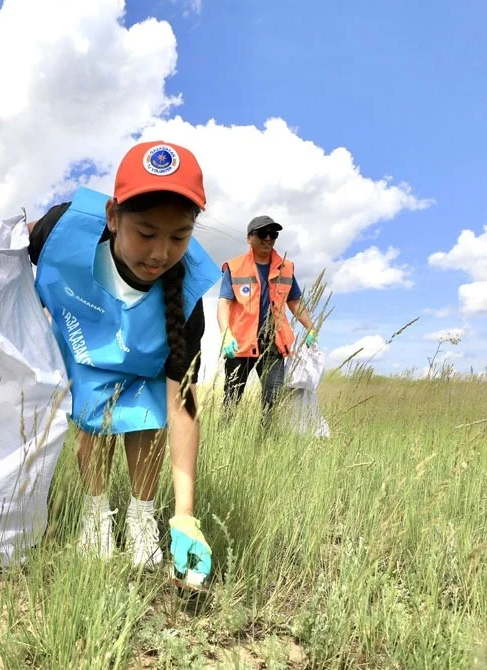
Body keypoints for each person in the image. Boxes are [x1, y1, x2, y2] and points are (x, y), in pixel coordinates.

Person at [26, 141, 217, 581]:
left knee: (146, 416)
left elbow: (182, 407)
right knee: (94, 417)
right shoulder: (62, 229)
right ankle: (96, 516)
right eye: (146, 233)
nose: (159, 254)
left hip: (145, 367)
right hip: (86, 347)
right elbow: (9, 258)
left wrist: (185, 517)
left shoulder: (186, 298)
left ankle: (142, 518)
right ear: (113, 216)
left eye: (178, 237)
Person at [217, 215, 319, 427]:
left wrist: (310, 327)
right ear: (249, 238)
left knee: (273, 401)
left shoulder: (286, 267)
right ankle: (223, 441)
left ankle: (265, 445)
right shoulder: (234, 267)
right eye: (262, 234)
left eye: (273, 234)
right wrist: (226, 335)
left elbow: (295, 302)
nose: (268, 238)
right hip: (241, 344)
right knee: (231, 399)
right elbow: (223, 303)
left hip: (274, 343)